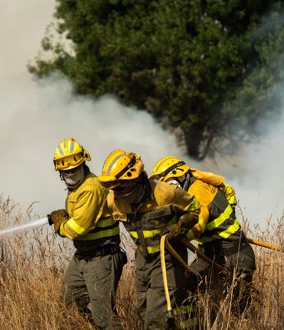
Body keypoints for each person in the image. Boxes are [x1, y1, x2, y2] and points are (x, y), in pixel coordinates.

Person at [98, 149, 200, 329]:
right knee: (144, 311)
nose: (116, 191)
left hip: (167, 258)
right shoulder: (113, 201)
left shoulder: (164, 193)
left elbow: (195, 207)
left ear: (135, 178)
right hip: (143, 261)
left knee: (156, 318)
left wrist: (180, 226)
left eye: (120, 186)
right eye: (113, 187)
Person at [150, 156, 256, 312]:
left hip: (234, 254)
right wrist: (228, 212)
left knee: (236, 305)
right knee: (188, 284)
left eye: (170, 185)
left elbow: (198, 224)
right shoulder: (200, 182)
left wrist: (179, 234)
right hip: (211, 251)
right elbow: (229, 191)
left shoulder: (197, 192)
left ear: (180, 176)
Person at [48, 138, 126, 330]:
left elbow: (77, 229)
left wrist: (59, 224)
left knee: (104, 317)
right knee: (69, 305)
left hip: (102, 256)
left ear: (83, 162)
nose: (70, 171)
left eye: (74, 167)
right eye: (65, 169)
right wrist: (66, 216)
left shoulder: (90, 188)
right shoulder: (76, 188)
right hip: (83, 256)